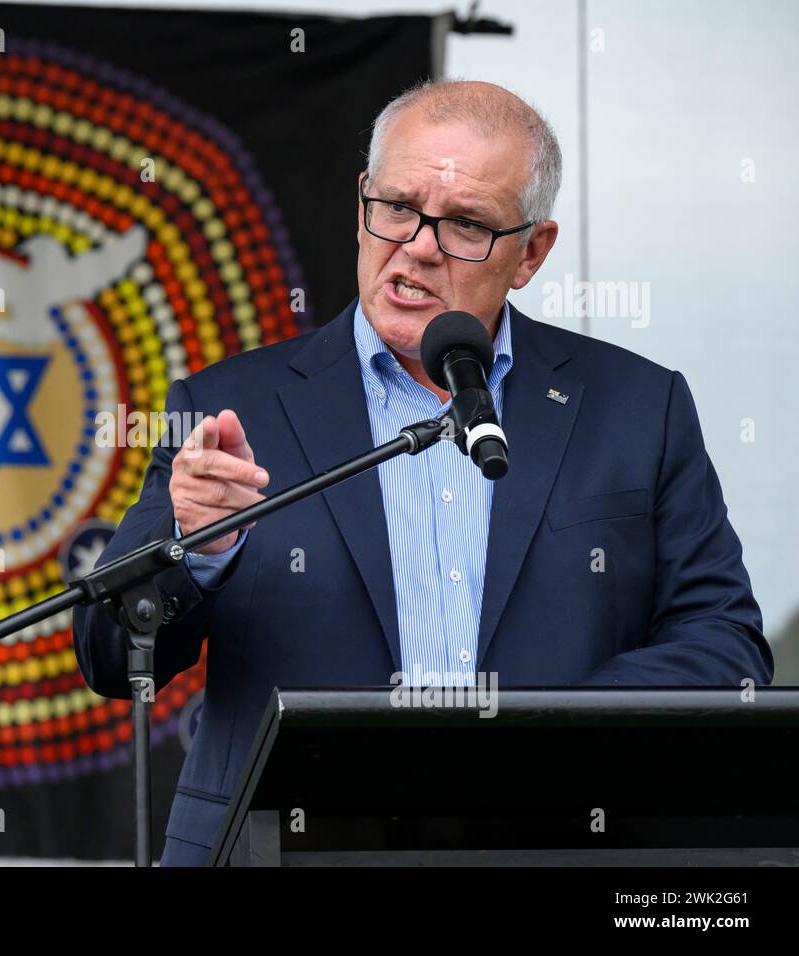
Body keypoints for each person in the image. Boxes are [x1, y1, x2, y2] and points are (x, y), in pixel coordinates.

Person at [71, 79, 771, 867]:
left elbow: (724, 644)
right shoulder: (229, 407)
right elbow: (108, 653)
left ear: (531, 253)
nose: (420, 245)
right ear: (361, 200)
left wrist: (557, 735)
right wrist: (192, 549)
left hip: (553, 849)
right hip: (282, 851)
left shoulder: (638, 407)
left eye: (467, 223)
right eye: (398, 206)